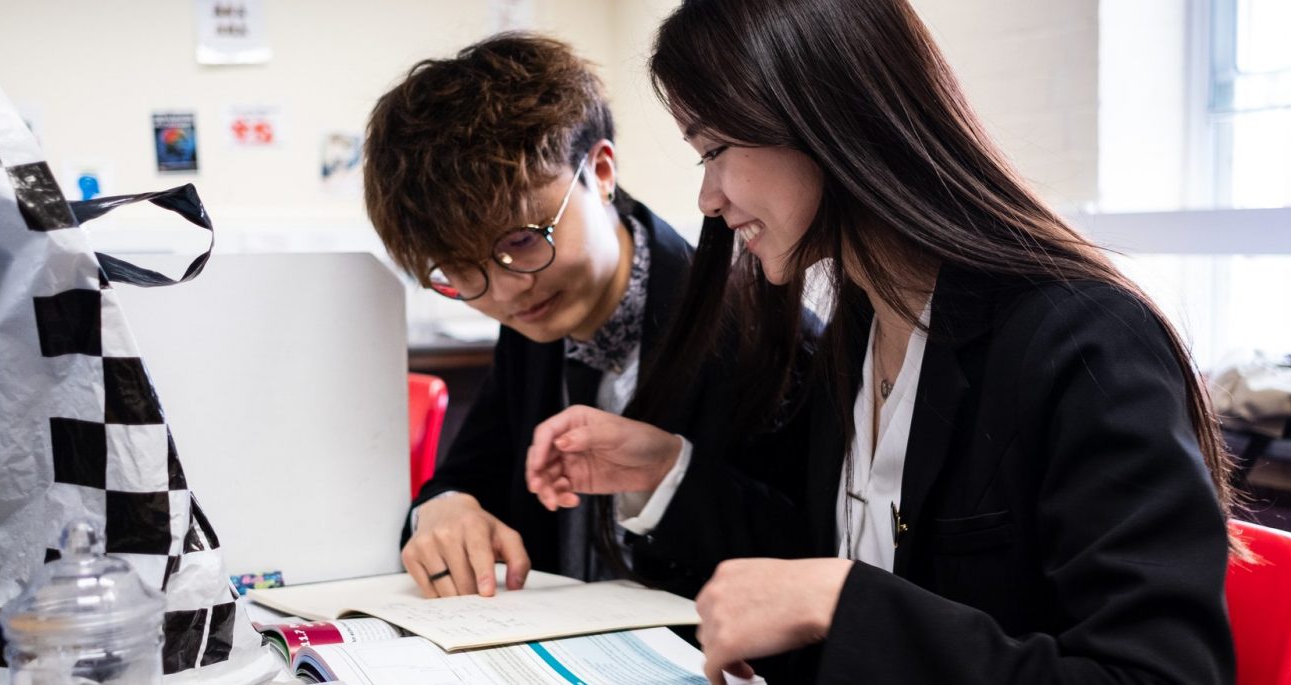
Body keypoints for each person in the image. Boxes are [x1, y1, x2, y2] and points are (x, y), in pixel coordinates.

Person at [524, 1, 1244, 683]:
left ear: (823, 117)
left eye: (714, 149)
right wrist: (666, 469)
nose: (709, 198)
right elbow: (818, 561)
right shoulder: (859, 329)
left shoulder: (1085, 342)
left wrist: (845, 603)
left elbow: (1155, 672)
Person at [365, 32, 810, 602]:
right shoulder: (533, 317)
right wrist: (443, 508)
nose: (503, 291)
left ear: (600, 171)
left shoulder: (759, 330)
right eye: (459, 271)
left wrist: (670, 478)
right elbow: (468, 475)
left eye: (523, 240)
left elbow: (808, 554)